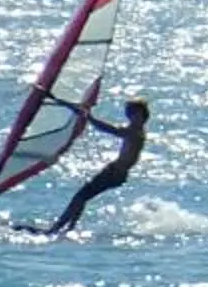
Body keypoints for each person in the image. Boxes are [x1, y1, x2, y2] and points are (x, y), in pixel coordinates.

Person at [45, 98, 149, 235]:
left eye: (132, 114)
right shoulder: (133, 130)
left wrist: (89, 117)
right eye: (128, 114)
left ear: (141, 116)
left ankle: (56, 229)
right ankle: (68, 228)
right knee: (82, 197)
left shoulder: (136, 133)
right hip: (113, 171)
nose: (129, 117)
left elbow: (109, 129)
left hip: (115, 174)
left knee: (80, 197)